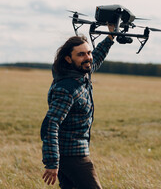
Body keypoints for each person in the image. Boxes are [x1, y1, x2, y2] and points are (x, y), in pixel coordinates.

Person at [40, 25, 115, 188]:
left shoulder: (82, 75)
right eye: (81, 54)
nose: (87, 57)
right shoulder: (67, 88)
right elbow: (50, 124)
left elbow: (97, 57)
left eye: (88, 52)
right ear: (68, 59)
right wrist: (52, 162)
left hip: (73, 152)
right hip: (72, 155)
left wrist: (110, 37)